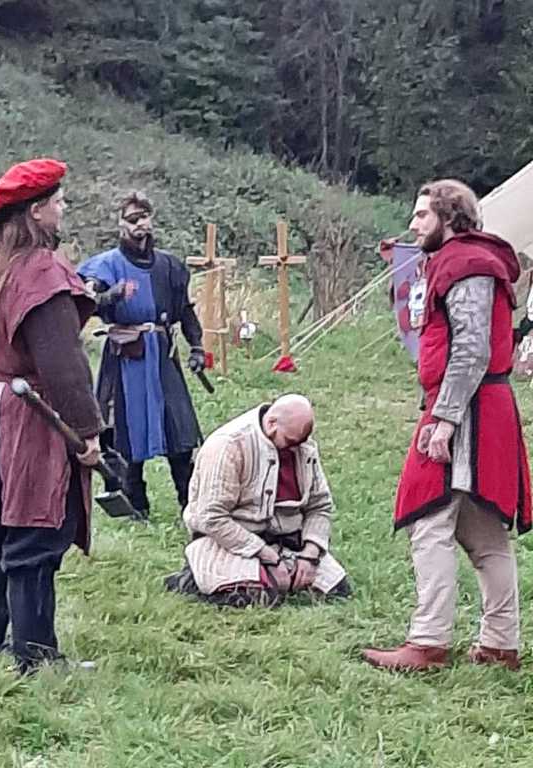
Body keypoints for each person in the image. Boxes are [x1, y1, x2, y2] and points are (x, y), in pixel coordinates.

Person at [363, 179, 532, 672]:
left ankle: (428, 641)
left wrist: (443, 419)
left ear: (450, 217)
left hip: (470, 409)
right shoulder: (462, 260)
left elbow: (472, 350)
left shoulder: (468, 263)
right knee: (482, 533)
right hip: (480, 406)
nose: (413, 224)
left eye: (422, 215)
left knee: (430, 521)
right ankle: (499, 644)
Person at [0, 158, 102, 674]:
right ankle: (36, 657)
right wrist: (86, 432)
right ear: (36, 211)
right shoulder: (38, 271)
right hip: (31, 416)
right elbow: (62, 363)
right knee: (34, 532)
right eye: (58, 202)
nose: (63, 209)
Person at [77, 193, 204, 519]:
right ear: (121, 224)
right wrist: (113, 294)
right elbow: (86, 301)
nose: (140, 225)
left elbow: (185, 310)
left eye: (144, 217)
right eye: (132, 219)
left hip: (162, 354)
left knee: (178, 430)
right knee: (125, 430)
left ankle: (190, 504)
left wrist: (197, 346)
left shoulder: (169, 266)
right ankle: (136, 504)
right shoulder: (106, 266)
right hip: (125, 356)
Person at [165, 394, 351, 608]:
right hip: (232, 541)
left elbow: (320, 506)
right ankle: (194, 576)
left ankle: (280, 572)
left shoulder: (302, 444)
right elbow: (212, 518)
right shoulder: (228, 445)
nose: (295, 449)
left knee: (337, 590)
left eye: (300, 443)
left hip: (288, 540)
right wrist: (268, 556)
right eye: (290, 442)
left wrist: (310, 555)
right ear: (272, 424)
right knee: (252, 598)